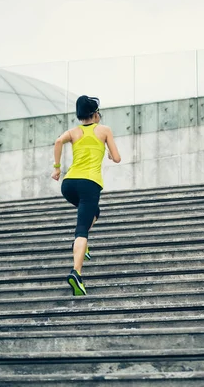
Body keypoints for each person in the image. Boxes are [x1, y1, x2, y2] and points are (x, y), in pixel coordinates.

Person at [51, 95, 121, 296]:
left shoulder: (73, 132)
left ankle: (79, 245)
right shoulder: (104, 130)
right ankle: (76, 273)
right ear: (95, 114)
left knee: (93, 212)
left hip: (69, 184)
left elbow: (58, 142)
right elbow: (117, 158)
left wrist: (57, 169)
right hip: (89, 184)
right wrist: (108, 153)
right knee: (82, 229)